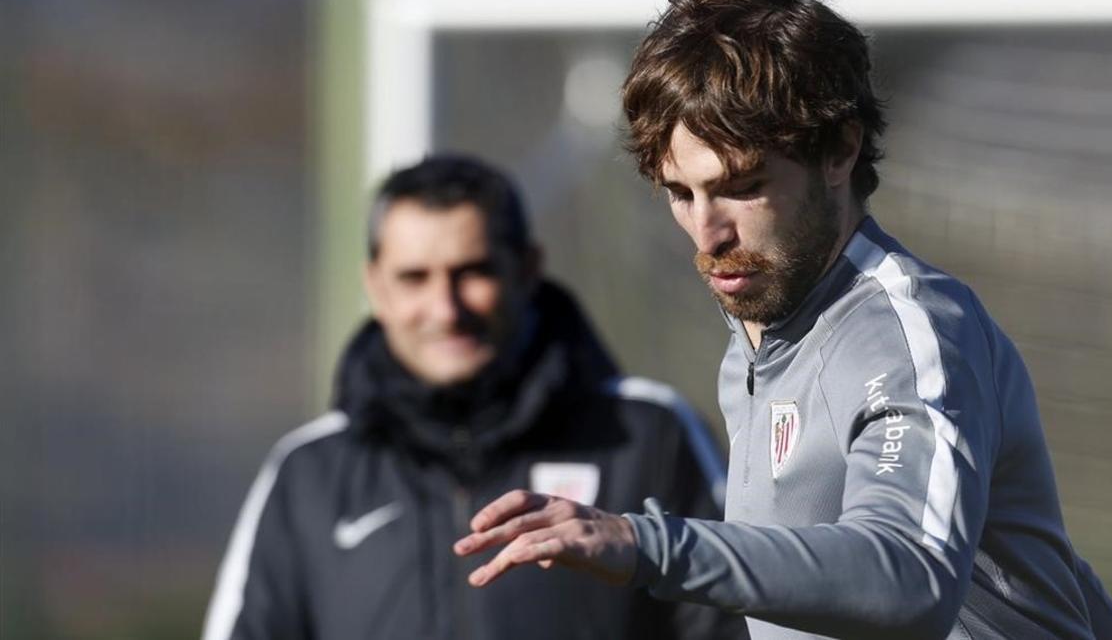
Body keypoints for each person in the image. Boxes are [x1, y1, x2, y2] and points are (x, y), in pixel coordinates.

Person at [453, 0, 1112, 639]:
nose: (709, 232)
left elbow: (912, 575)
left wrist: (648, 543)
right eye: (680, 193)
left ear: (839, 149)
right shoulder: (758, 336)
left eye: (743, 185)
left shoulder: (904, 332)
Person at [202, 155, 748, 639]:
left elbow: (740, 619)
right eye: (415, 278)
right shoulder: (309, 472)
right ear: (377, 287)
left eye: (473, 273)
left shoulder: (649, 433)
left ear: (527, 269)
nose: (446, 309)